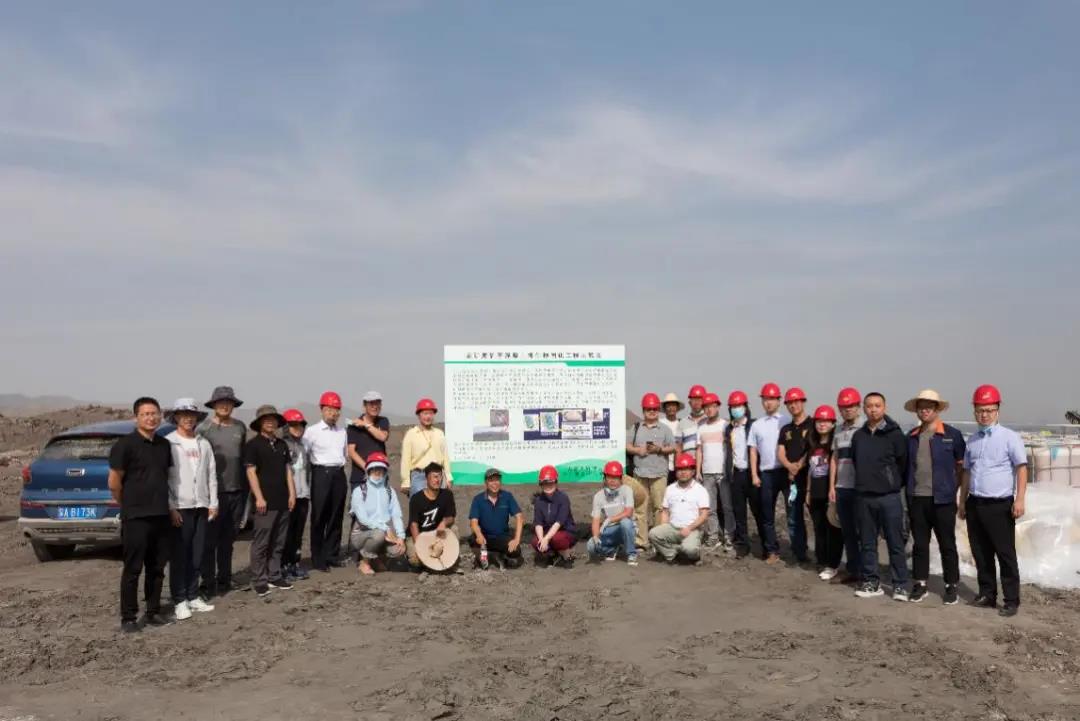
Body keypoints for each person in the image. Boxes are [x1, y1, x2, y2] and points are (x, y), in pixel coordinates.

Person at [959, 384, 1028, 617]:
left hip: (999, 505)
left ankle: (1011, 600)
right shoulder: (972, 440)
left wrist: (1020, 499)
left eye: (989, 410)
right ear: (974, 412)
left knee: (1005, 553)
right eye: (980, 410)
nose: (984, 415)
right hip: (975, 503)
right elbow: (967, 472)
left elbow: (1021, 468)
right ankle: (987, 594)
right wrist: (962, 501)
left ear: (997, 410)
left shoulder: (1010, 438)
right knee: (981, 552)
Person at [108, 397, 174, 633]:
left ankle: (153, 611)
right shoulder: (124, 445)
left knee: (157, 568)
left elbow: (166, 478)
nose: (151, 418)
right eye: (145, 414)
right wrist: (126, 504)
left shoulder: (164, 445)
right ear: (136, 417)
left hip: (161, 515)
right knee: (133, 569)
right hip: (136, 517)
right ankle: (128, 617)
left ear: (160, 415)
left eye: (154, 413)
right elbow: (114, 482)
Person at [903, 389, 966, 605]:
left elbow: (962, 467)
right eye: (921, 407)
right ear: (916, 411)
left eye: (929, 406)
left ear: (937, 409)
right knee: (920, 544)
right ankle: (920, 584)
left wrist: (953, 489)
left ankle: (951, 585)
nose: (925, 410)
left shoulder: (952, 435)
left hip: (943, 500)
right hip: (917, 498)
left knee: (947, 544)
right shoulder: (911, 437)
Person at [851, 392, 910, 601]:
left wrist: (890, 482)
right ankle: (871, 582)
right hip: (864, 497)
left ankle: (900, 585)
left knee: (895, 543)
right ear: (864, 408)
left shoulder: (895, 435)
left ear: (884, 408)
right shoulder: (859, 436)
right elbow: (856, 462)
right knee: (867, 543)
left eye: (877, 405)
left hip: (889, 497)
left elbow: (903, 464)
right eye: (869, 406)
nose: (873, 409)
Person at [164, 399, 218, 621]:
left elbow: (211, 474)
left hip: (201, 506)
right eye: (183, 414)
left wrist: (213, 502)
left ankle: (193, 595)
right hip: (180, 507)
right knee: (179, 556)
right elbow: (164, 479)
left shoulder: (203, 443)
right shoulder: (169, 443)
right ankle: (179, 600)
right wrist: (171, 507)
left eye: (192, 415)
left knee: (197, 554)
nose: (188, 418)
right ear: (176, 417)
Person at [197, 385, 247, 599]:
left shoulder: (240, 427)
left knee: (228, 541)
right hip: (213, 494)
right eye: (221, 402)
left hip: (236, 492)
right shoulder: (203, 429)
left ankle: (224, 580)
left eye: (228, 402)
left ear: (233, 405)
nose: (225, 406)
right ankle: (207, 582)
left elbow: (243, 458)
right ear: (214, 405)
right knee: (209, 542)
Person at [244, 405, 296, 597]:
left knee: (278, 541)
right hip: (264, 501)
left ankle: (274, 575)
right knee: (262, 542)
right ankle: (259, 580)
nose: (270, 422)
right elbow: (251, 472)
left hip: (283, 499)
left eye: (273, 419)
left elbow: (288, 471)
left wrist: (292, 494)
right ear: (259, 423)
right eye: (266, 420)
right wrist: (259, 497)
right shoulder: (253, 445)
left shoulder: (282, 445)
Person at [303, 391, 348, 572]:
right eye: (329, 409)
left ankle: (332, 555)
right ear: (322, 409)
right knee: (319, 516)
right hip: (321, 473)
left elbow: (344, 454)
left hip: (338, 474)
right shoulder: (311, 431)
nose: (333, 413)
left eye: (336, 410)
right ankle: (318, 558)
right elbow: (305, 456)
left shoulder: (342, 432)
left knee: (336, 516)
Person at [748, 383, 791, 565]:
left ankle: (799, 550)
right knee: (767, 514)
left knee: (793, 512)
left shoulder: (787, 421)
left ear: (779, 401)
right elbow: (753, 451)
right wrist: (754, 474)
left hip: (786, 473)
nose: (768, 403)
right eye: (765, 399)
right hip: (766, 474)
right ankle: (772, 550)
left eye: (772, 399)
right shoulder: (757, 425)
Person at [626, 393, 676, 539]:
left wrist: (659, 449)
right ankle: (642, 540)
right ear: (643, 410)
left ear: (658, 410)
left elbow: (673, 447)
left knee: (659, 508)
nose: (652, 411)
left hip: (659, 474)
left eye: (654, 408)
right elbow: (627, 446)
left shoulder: (665, 429)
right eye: (649, 409)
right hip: (640, 473)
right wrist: (638, 451)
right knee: (640, 508)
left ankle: (657, 539)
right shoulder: (635, 427)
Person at [348, 452, 406, 575]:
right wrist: (385, 529)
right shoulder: (359, 491)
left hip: (383, 533)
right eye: (374, 468)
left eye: (381, 469)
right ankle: (364, 562)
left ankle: (377, 559)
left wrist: (401, 537)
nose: (378, 472)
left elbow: (396, 515)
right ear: (368, 471)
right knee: (378, 535)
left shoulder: (390, 491)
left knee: (398, 550)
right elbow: (363, 519)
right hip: (361, 534)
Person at [828, 387, 863, 585]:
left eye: (851, 406)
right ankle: (853, 570)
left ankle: (867, 571)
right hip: (842, 487)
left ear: (858, 407)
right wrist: (832, 486)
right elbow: (834, 458)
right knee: (848, 532)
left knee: (863, 532)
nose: (847, 409)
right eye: (843, 406)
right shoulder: (838, 430)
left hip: (860, 489)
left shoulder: (865, 428)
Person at [649, 453, 711, 563]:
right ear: (676, 472)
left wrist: (689, 528)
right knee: (653, 534)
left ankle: (693, 554)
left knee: (690, 550)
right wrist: (664, 529)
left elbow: (704, 515)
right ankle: (673, 554)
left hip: (692, 529)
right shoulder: (670, 489)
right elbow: (665, 512)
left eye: (686, 469)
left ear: (693, 471)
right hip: (673, 528)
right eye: (680, 469)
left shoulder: (700, 490)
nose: (683, 472)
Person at [805, 406, 842, 581]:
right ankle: (821, 561)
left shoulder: (834, 444)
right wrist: (808, 490)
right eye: (819, 421)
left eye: (826, 421)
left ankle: (832, 564)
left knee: (832, 529)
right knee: (818, 528)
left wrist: (833, 490)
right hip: (815, 492)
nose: (822, 424)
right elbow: (810, 470)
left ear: (833, 424)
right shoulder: (813, 445)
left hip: (830, 492)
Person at [725, 390, 762, 559]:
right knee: (739, 512)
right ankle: (743, 545)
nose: (736, 409)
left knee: (758, 510)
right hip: (736, 474)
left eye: (739, 405)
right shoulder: (729, 429)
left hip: (752, 473)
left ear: (745, 407)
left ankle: (766, 544)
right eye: (733, 406)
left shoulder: (753, 426)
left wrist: (757, 473)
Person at [777, 387, 811, 564]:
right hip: (791, 479)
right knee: (793, 516)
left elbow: (815, 448)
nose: (793, 406)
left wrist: (801, 464)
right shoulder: (786, 429)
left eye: (796, 402)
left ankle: (824, 556)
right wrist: (789, 466)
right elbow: (780, 451)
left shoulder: (813, 424)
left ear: (803, 402)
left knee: (817, 517)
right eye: (790, 403)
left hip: (811, 478)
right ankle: (799, 552)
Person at [468, 468, 524, 569]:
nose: (495, 483)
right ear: (486, 482)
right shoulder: (478, 499)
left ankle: (499, 556)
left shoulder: (507, 497)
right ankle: (483, 556)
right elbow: (473, 522)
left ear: (500, 481)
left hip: (501, 537)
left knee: (516, 551)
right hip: (484, 538)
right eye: (491, 480)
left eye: (497, 480)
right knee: (476, 545)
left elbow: (519, 517)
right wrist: (479, 535)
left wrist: (516, 539)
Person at [406, 462, 458, 568]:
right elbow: (413, 525)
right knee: (415, 562)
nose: (437, 480)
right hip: (419, 535)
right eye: (434, 477)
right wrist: (420, 545)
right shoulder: (416, 499)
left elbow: (451, 517)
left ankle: (449, 560)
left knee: (454, 529)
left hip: (437, 535)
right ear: (427, 478)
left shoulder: (447, 495)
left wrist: (444, 523)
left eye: (440, 476)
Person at [587, 461, 638, 565]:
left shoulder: (627, 490)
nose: (612, 481)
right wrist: (596, 536)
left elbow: (628, 512)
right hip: (610, 530)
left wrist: (610, 519)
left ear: (621, 478)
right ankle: (612, 550)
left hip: (626, 528)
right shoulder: (598, 496)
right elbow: (596, 520)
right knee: (591, 546)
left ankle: (631, 553)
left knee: (625, 523)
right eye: (609, 477)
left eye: (615, 477)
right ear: (604, 478)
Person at [280, 408, 311, 581]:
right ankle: (283, 565)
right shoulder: (282, 445)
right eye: (293, 425)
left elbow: (308, 470)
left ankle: (294, 564)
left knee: (298, 532)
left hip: (303, 495)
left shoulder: (304, 445)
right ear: (286, 427)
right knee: (286, 533)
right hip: (288, 496)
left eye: (300, 425)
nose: (297, 428)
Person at [695, 392, 728, 550]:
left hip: (723, 472)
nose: (709, 409)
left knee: (727, 507)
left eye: (712, 406)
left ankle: (729, 536)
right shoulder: (701, 427)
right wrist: (698, 471)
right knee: (710, 508)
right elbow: (699, 450)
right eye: (706, 407)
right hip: (707, 472)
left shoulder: (725, 425)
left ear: (718, 407)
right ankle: (713, 537)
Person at [401, 398, 453, 498]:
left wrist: (448, 476)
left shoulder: (439, 433)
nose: (428, 416)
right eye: (425, 413)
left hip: (438, 476)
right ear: (419, 415)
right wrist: (405, 481)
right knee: (419, 505)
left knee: (440, 506)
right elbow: (405, 459)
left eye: (431, 413)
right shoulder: (411, 434)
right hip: (419, 476)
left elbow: (445, 457)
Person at [347, 391, 391, 495]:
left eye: (378, 403)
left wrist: (365, 425)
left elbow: (383, 437)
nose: (375, 407)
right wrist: (368, 468)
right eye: (371, 404)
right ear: (364, 406)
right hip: (360, 477)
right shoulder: (354, 425)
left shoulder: (383, 421)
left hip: (381, 476)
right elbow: (351, 451)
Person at [532, 466, 577, 567]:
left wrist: (546, 539)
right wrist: (541, 540)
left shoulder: (563, 498)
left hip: (565, 532)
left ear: (556, 482)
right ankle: (552, 554)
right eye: (545, 483)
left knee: (557, 539)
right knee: (535, 542)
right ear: (541, 484)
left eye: (551, 483)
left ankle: (566, 555)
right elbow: (538, 523)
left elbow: (559, 522)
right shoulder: (538, 501)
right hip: (548, 532)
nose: (548, 486)